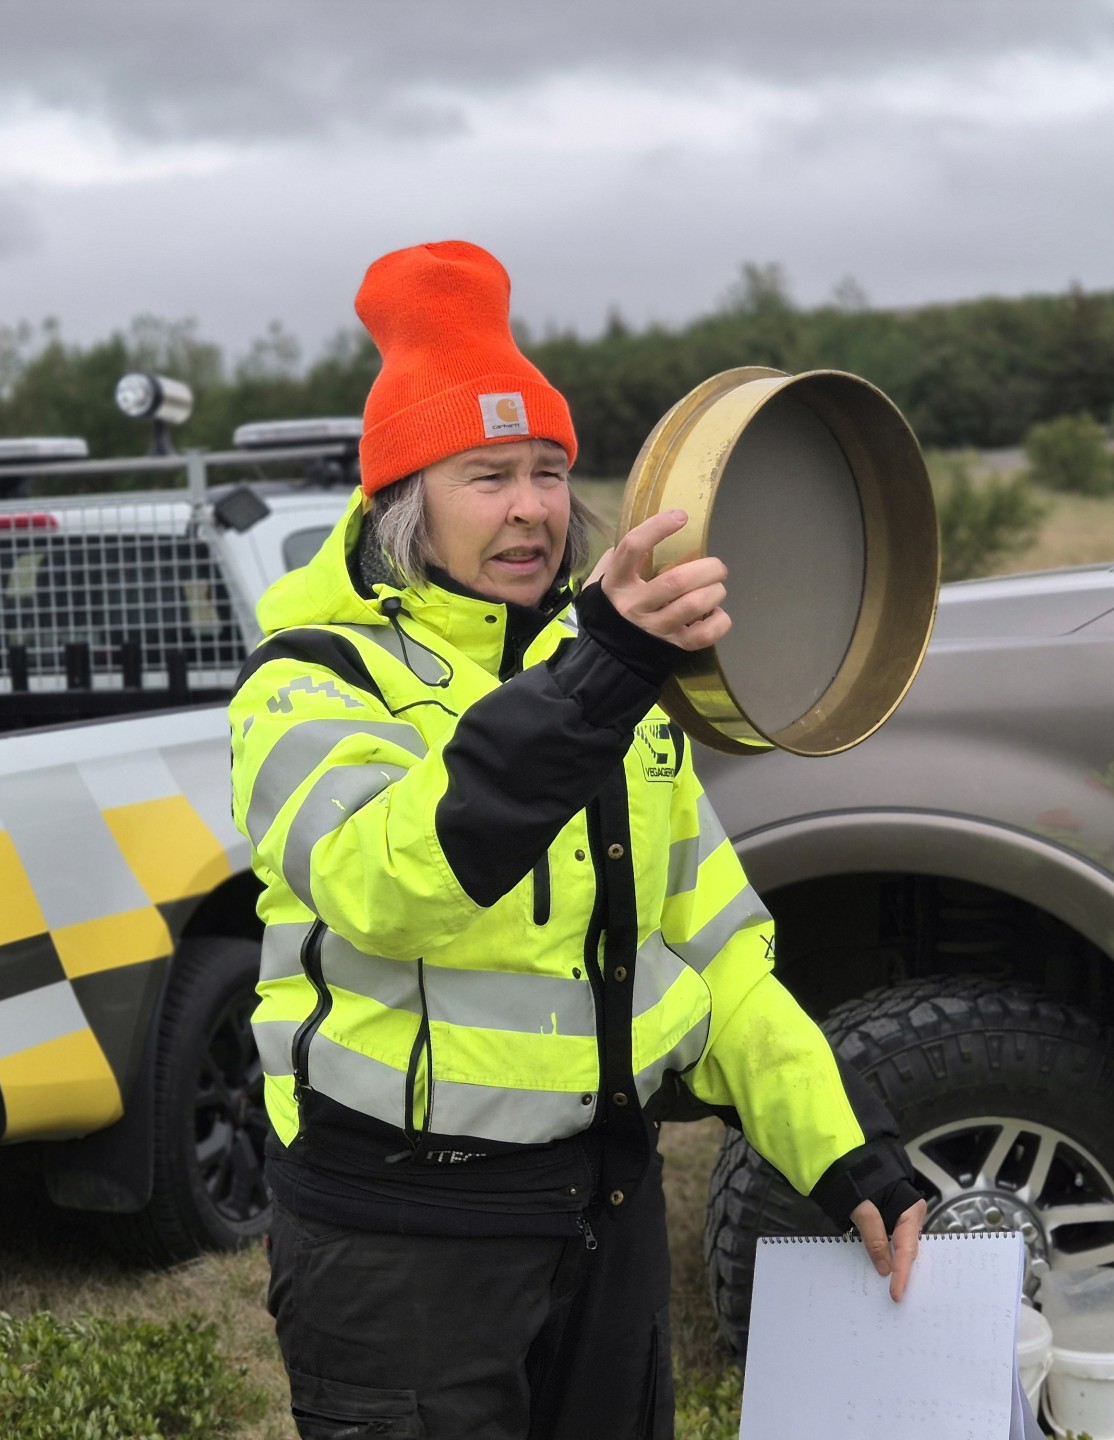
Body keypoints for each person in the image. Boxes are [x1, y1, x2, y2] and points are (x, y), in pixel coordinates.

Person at [230, 239, 925, 1440]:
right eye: (488, 475)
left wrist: (847, 1150)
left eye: (550, 472)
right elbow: (391, 883)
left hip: (601, 1217)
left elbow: (714, 957)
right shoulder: (313, 683)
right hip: (401, 1245)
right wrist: (597, 675)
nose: (533, 508)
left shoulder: (614, 689)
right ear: (403, 500)